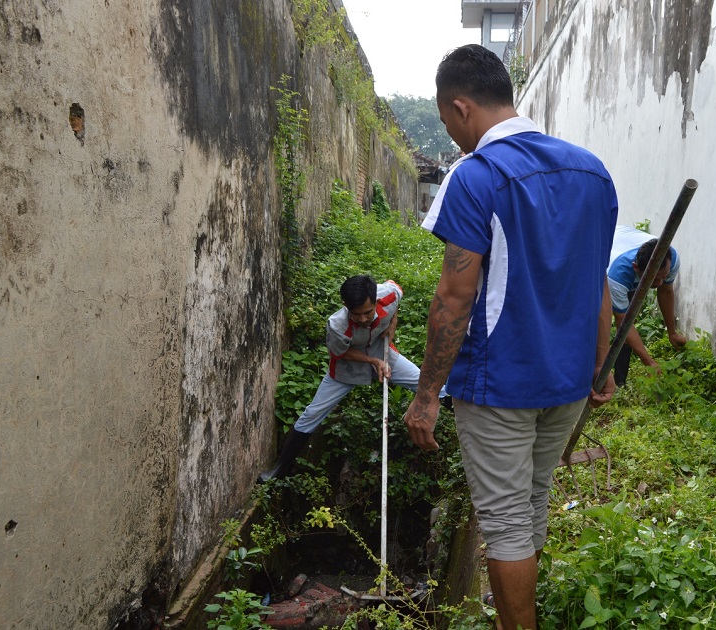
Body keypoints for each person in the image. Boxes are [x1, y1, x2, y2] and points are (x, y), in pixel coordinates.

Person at [402, 44, 618, 630]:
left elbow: (454, 296)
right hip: (568, 380)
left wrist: (426, 396)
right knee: (531, 502)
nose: (450, 135)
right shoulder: (592, 171)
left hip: (500, 383)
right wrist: (603, 366)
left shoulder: (477, 176)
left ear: (461, 106)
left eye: (448, 121)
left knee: (502, 521)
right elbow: (597, 278)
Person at [258, 275, 417, 481]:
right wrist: (373, 361)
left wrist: (392, 324)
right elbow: (340, 353)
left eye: (367, 312)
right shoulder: (337, 325)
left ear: (376, 300)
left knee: (427, 384)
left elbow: (397, 292)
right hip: (346, 367)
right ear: (345, 306)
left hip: (382, 350)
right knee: (312, 413)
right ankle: (280, 468)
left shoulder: (388, 295)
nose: (362, 319)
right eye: (356, 314)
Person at [607, 225, 687, 386]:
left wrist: (672, 332)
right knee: (603, 322)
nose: (658, 283)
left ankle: (620, 382)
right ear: (636, 268)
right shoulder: (617, 277)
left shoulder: (671, 258)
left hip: (623, 238)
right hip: (606, 253)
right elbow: (624, 323)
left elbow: (665, 292)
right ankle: (602, 376)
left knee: (628, 321)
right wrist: (649, 362)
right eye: (652, 279)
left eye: (662, 277)